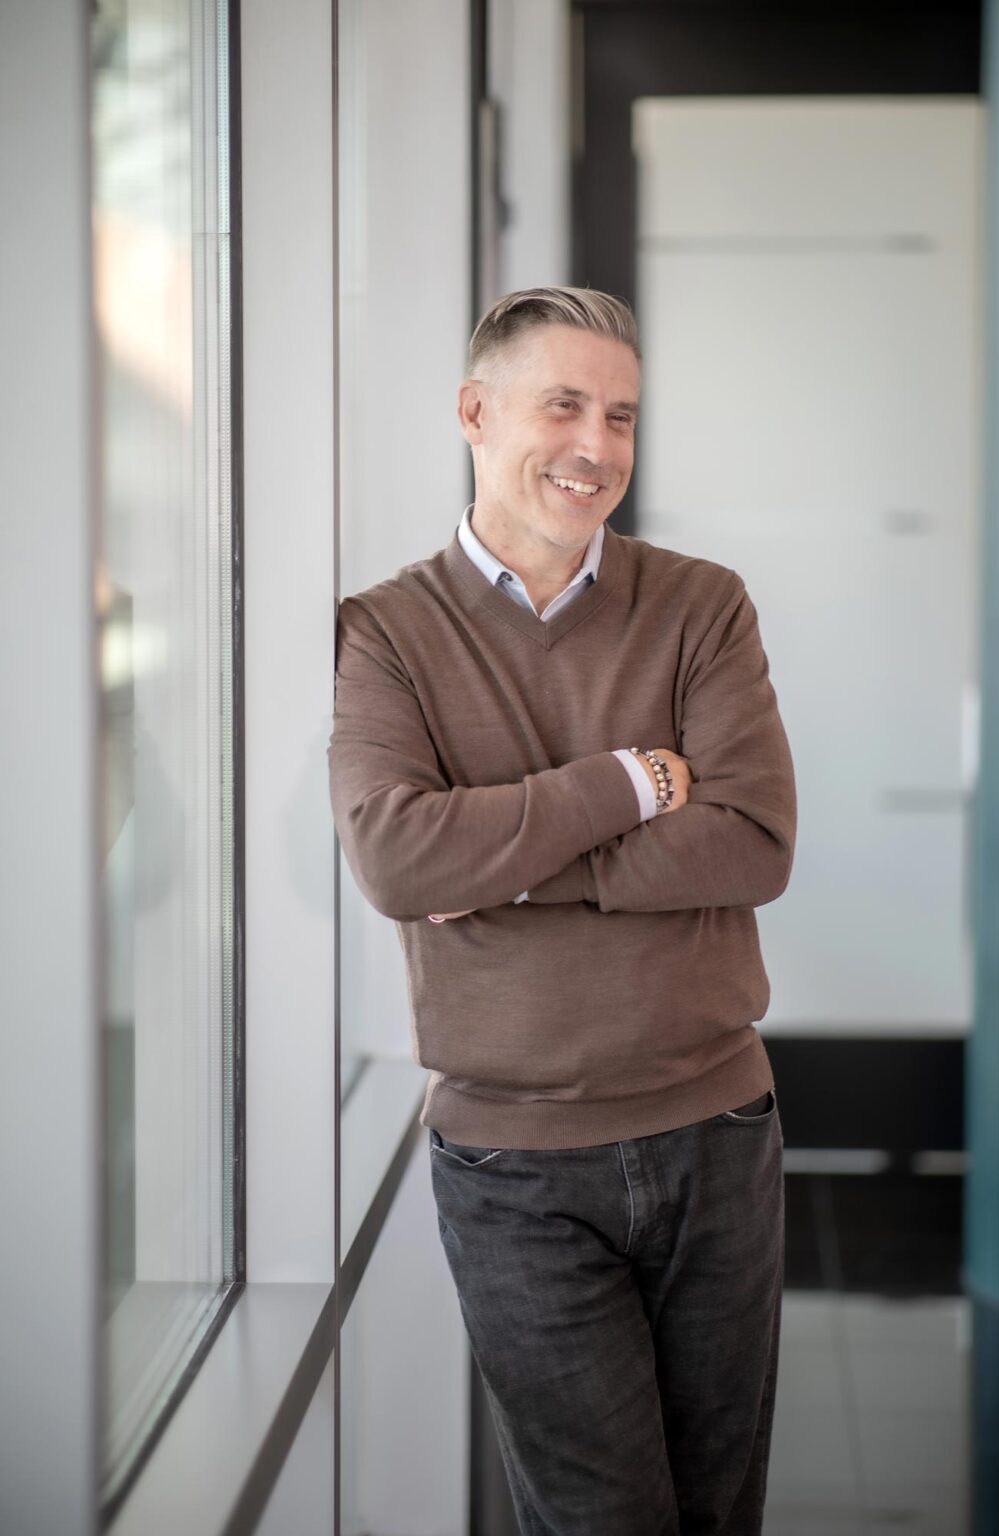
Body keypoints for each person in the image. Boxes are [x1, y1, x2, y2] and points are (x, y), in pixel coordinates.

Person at [328, 285, 797, 1535]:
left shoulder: (702, 606)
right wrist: (625, 785)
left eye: (623, 417)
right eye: (565, 406)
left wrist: (513, 860)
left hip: (715, 1127)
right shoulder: (385, 632)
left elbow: (751, 841)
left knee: (715, 1509)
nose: (597, 447)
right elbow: (397, 862)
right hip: (514, 1162)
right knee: (598, 1518)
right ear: (476, 413)